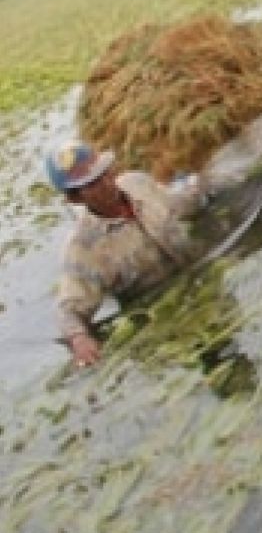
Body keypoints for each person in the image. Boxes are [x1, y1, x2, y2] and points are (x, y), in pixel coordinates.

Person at [47, 141, 207, 369]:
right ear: (76, 198)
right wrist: (79, 339)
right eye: (92, 184)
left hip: (203, 276)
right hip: (167, 316)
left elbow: (180, 204)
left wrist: (200, 184)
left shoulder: (138, 183)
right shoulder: (84, 249)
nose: (107, 184)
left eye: (104, 173)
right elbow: (68, 311)